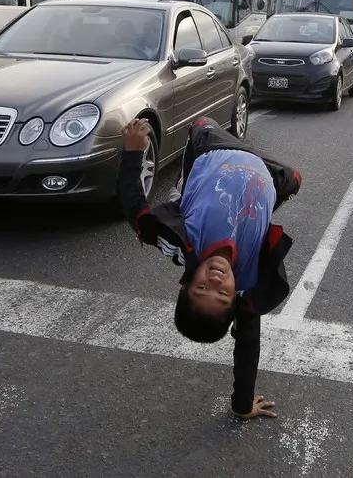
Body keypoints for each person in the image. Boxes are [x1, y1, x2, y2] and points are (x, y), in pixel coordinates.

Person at [117, 116, 302, 419]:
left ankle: (201, 130)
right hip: (264, 172)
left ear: (187, 282)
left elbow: (134, 209)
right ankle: (276, 185)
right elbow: (248, 342)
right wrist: (243, 406)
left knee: (202, 124)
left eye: (202, 287)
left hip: (213, 149)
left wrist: (133, 153)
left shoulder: (181, 241)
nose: (216, 280)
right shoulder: (250, 281)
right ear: (235, 299)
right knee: (296, 179)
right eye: (222, 294)